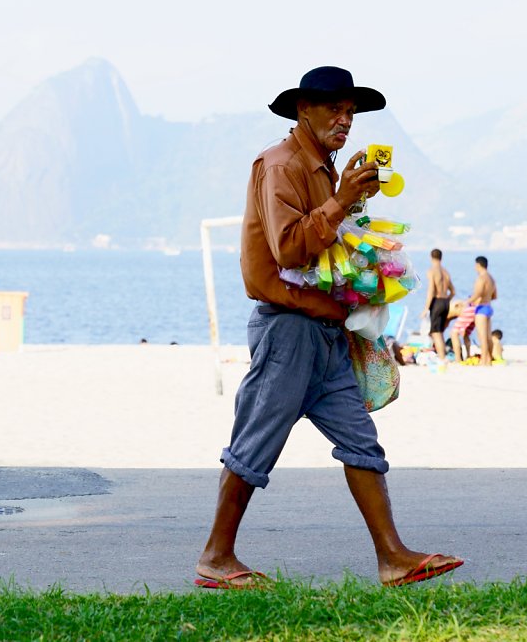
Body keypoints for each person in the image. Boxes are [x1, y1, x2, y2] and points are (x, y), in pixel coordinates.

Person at [196, 66, 462, 589]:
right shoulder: (280, 165)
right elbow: (290, 248)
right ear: (304, 110)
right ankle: (215, 557)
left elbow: (327, 244)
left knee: (361, 440)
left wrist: (351, 199)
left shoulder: (322, 167)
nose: (346, 121)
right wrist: (341, 201)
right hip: (288, 332)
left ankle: (392, 557)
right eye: (335, 110)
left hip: (324, 330)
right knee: (254, 444)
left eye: (350, 113)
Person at [419, 249, 455, 360]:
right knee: (439, 331)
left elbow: (431, 290)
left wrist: (426, 308)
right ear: (441, 257)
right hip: (445, 302)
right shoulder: (446, 272)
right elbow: (453, 292)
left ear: (431, 257)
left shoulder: (432, 271)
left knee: (436, 332)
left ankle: (442, 359)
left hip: (437, 301)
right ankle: (442, 356)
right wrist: (447, 300)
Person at [469, 256, 498, 366]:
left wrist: (468, 301)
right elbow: (495, 295)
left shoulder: (481, 278)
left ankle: (484, 360)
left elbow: (478, 293)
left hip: (481, 308)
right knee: (488, 336)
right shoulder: (491, 278)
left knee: (482, 337)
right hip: (489, 307)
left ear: (478, 265)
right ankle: (489, 359)